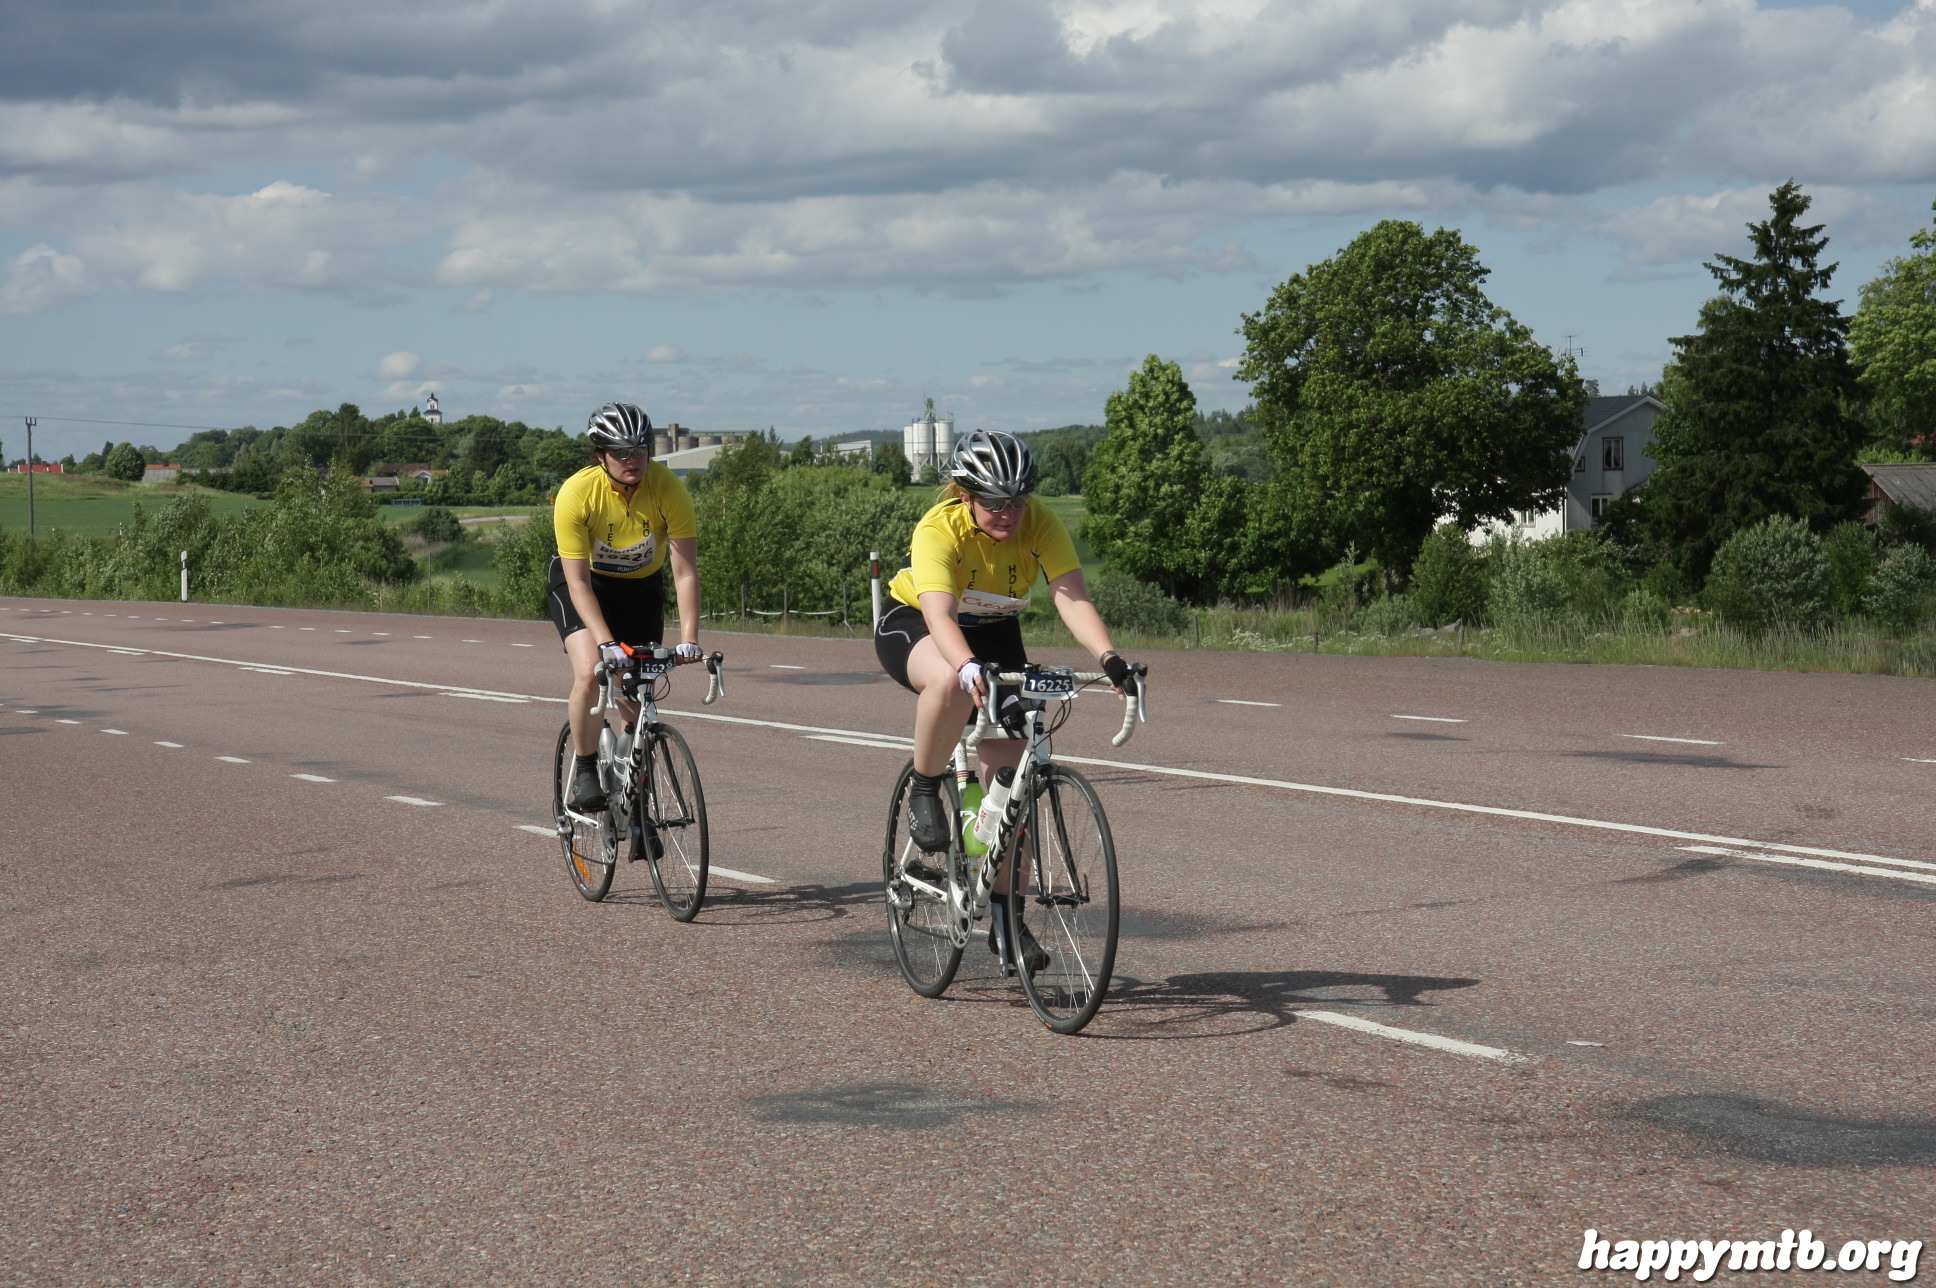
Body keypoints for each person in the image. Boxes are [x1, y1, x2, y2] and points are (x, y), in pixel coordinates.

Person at [875, 428, 1137, 972]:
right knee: (949, 682)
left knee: (1015, 785)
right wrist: (965, 664)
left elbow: (1072, 597)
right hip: (918, 624)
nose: (1009, 514)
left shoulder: (1039, 521)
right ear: (965, 495)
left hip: (996, 630)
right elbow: (940, 615)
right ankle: (924, 785)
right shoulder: (938, 529)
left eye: (1018, 501)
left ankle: (1005, 920)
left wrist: (1109, 657)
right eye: (995, 502)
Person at [549, 402, 702, 812]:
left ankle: (635, 806)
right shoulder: (577, 493)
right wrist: (606, 643)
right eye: (620, 452)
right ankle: (585, 768)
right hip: (585, 584)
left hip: (640, 587)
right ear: (601, 455)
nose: (632, 459)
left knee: (637, 691)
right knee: (592, 671)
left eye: (640, 450)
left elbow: (685, 572)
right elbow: (577, 583)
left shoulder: (668, 488)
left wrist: (690, 639)